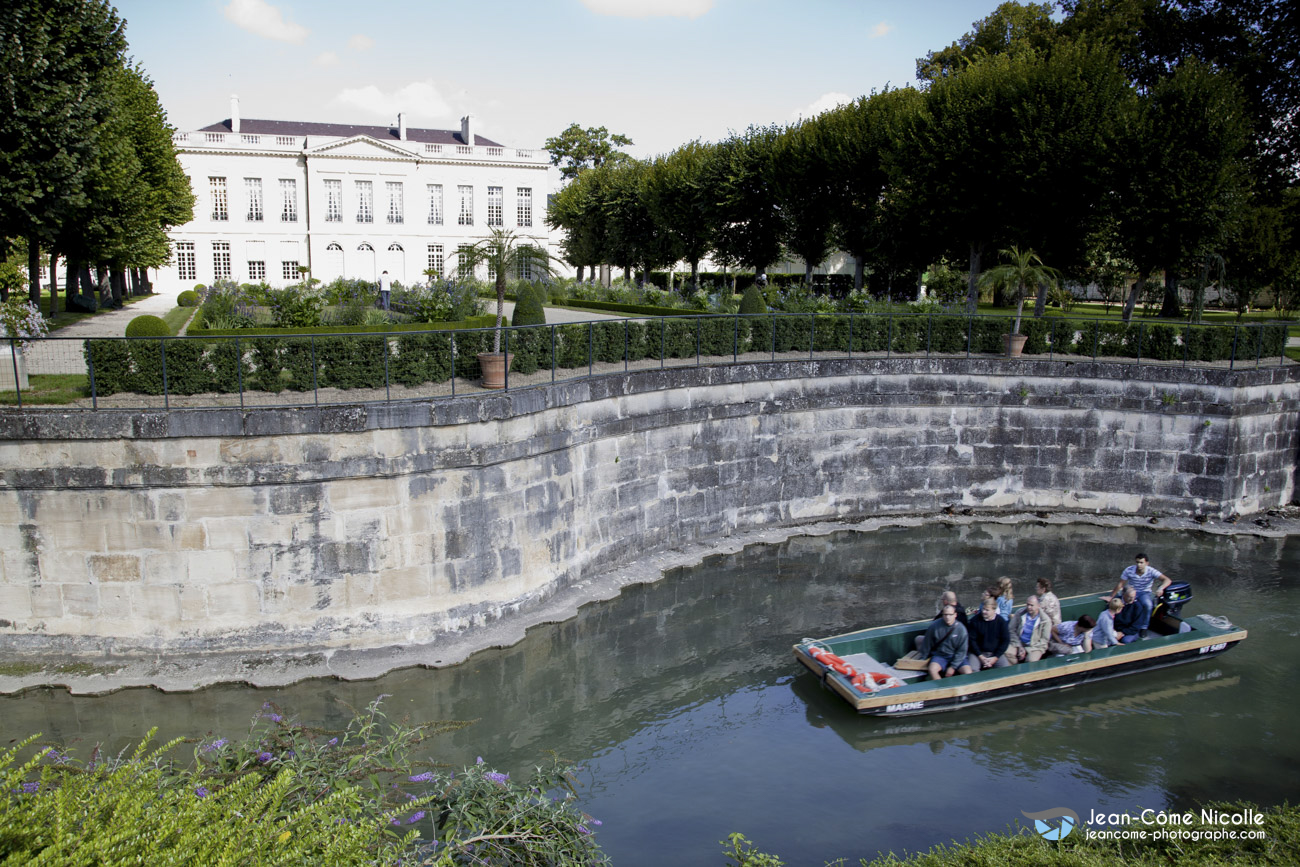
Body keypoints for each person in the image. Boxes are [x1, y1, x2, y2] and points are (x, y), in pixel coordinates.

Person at [1109, 553, 1172, 638]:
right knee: (1120, 602)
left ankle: (1144, 627)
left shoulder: (1151, 571)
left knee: (1148, 605)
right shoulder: (1129, 570)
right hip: (1131, 591)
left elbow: (1167, 580)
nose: (1139, 565)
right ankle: (1116, 625)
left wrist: (1161, 588)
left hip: (1144, 592)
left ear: (1147, 563)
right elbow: (1121, 583)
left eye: (1141, 562)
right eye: (1137, 562)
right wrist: (1111, 596)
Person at [920, 604, 971, 680]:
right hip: (941, 656)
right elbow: (927, 644)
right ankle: (941, 688)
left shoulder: (961, 629)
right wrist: (923, 658)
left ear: (955, 615)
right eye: (945, 614)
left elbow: (962, 651)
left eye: (950, 615)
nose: (947, 617)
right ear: (942, 615)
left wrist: (953, 667)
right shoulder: (934, 626)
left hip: (956, 656)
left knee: (968, 672)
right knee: (932, 669)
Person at [966, 598, 1010, 671]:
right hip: (978, 653)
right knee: (973, 669)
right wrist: (980, 656)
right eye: (983, 609)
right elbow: (972, 641)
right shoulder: (975, 621)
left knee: (1005, 668)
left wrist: (995, 657)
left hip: (994, 653)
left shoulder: (1001, 622)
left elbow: (1005, 641)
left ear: (994, 610)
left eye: (987, 610)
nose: (983, 612)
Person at [1005, 595, 1051, 664]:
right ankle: (1015, 667)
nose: (1029, 607)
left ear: (1038, 606)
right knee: (1006, 652)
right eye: (1027, 604)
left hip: (1035, 646)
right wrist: (1019, 646)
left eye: (1031, 605)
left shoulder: (1046, 620)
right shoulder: (1019, 613)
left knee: (1031, 661)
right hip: (1019, 643)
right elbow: (1011, 630)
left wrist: (1026, 650)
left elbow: (1044, 641)